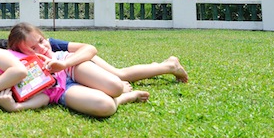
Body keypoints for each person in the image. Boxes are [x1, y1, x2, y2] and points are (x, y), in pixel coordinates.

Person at [0, 23, 150, 117]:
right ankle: (126, 98)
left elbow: (19, 71)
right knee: (106, 107)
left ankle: (121, 89)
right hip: (58, 90)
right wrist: (17, 107)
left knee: (115, 86)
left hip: (65, 67)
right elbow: (44, 98)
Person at [12, 26, 188, 83]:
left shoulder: (53, 44)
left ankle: (170, 66)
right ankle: (157, 66)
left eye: (41, 41)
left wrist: (67, 63)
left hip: (81, 61)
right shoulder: (23, 61)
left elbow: (90, 49)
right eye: (33, 48)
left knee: (121, 75)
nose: (42, 47)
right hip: (76, 71)